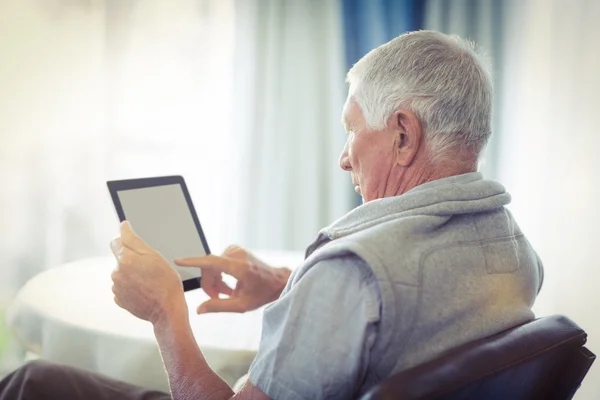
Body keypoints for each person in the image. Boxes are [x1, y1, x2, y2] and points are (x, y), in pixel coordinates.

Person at [0, 30, 543, 400]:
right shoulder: (513, 249)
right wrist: (286, 285)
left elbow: (364, 288)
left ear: (403, 135)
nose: (344, 156)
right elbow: (408, 310)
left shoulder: (352, 272)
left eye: (352, 129)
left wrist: (166, 311)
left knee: (32, 382)